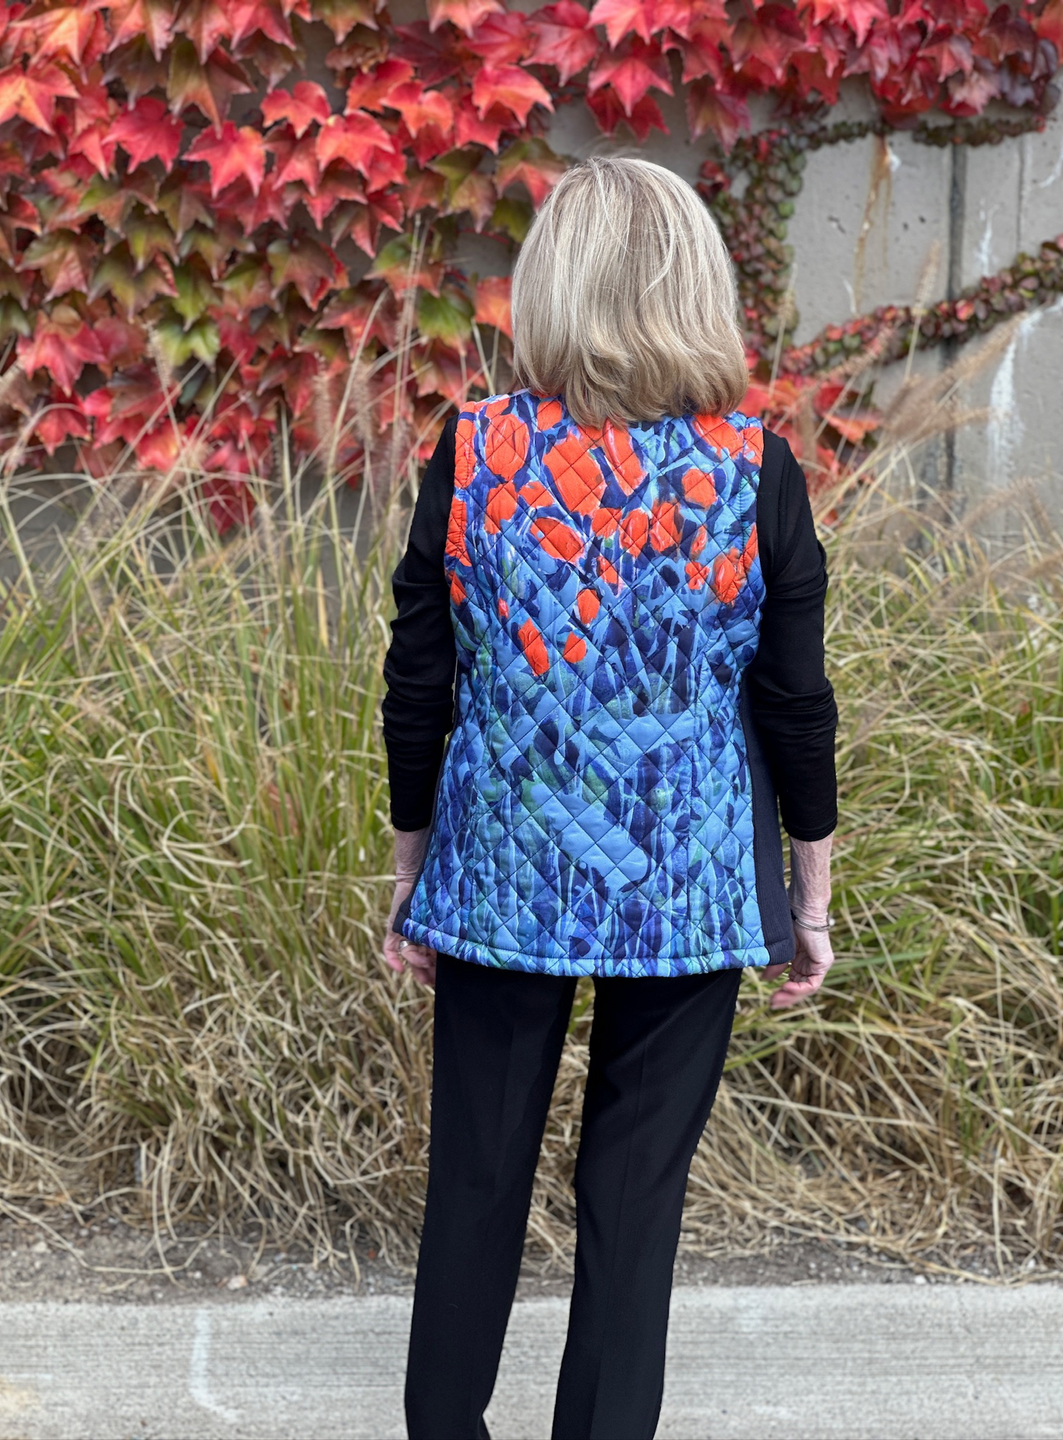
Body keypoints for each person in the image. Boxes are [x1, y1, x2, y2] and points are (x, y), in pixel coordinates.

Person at [380, 156, 838, 1440]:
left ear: (548, 292)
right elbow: (796, 701)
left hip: (502, 881)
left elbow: (419, 681)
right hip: (685, 889)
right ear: (694, 289)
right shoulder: (754, 470)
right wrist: (806, 886)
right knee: (635, 1198)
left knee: (474, 1178)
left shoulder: (471, 453)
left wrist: (413, 866)